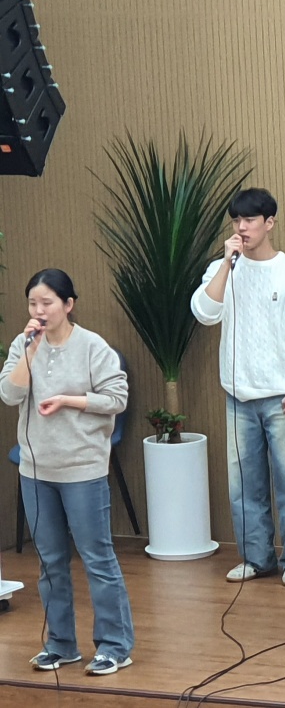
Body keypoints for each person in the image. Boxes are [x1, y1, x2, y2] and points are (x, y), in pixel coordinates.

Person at [2, 269, 134, 675]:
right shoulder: (23, 344)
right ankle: (61, 644)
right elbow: (9, 394)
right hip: (36, 469)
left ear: (68, 304)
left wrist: (69, 400)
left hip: (82, 468)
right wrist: (30, 351)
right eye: (33, 303)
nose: (39, 310)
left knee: (97, 558)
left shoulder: (93, 346)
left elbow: (117, 398)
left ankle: (114, 646)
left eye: (47, 302)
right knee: (50, 561)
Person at [191, 188, 285, 586]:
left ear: (270, 223)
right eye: (236, 220)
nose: (242, 227)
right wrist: (225, 265)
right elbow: (204, 313)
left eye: (249, 220)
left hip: (282, 394)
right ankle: (256, 558)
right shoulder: (224, 269)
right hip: (238, 395)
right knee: (243, 485)